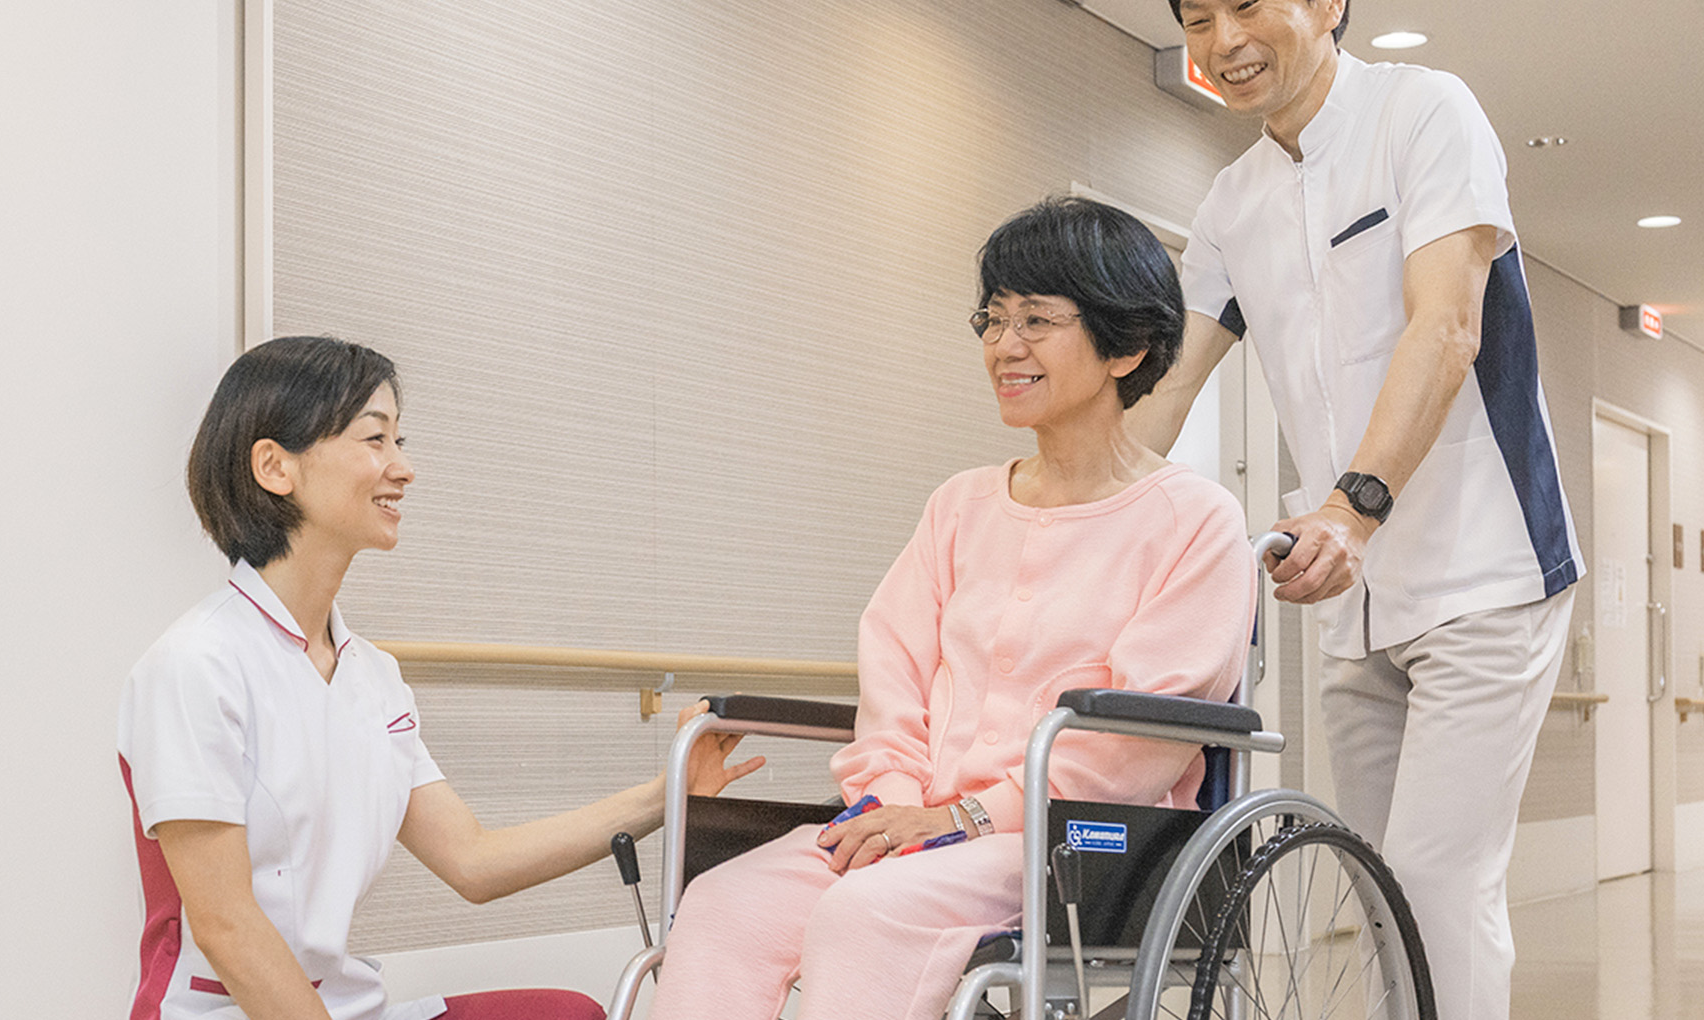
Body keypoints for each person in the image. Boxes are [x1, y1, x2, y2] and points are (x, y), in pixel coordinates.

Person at [648, 197, 1255, 1020]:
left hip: (1074, 844)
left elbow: (1134, 744)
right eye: (993, 319)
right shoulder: (961, 506)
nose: (1005, 346)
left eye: (1036, 319)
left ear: (1127, 346)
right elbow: (893, 672)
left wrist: (962, 816)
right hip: (916, 823)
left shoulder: (1194, 520)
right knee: (728, 906)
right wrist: (896, 802)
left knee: (867, 915)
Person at [1129, 4, 1585, 1020]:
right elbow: (1166, 385)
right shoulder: (1233, 201)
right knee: (1381, 895)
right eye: (1197, 18)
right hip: (1356, 605)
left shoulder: (1424, 113)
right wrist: (1073, 512)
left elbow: (1447, 326)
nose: (1223, 41)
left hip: (1484, 569)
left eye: (1247, 4)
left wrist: (1354, 507)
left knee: (1435, 886)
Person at [119, 336, 765, 1020]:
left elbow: (473, 861)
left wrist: (666, 792)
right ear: (276, 466)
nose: (404, 469)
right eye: (375, 439)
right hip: (224, 1014)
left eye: (399, 441)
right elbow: (226, 928)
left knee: (565, 1013)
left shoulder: (372, 676)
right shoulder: (196, 664)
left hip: (345, 1007)